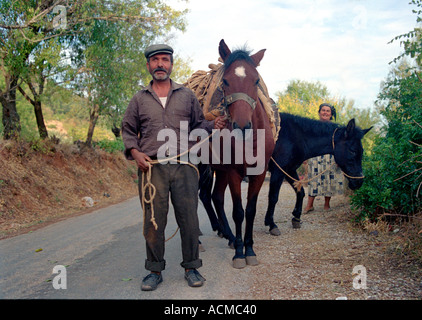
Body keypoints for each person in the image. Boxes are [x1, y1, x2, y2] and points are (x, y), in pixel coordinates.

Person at [122, 44, 227, 291]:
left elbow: (199, 124)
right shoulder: (139, 99)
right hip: (152, 168)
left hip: (184, 166)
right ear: (148, 65)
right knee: (153, 221)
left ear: (171, 64)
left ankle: (191, 267)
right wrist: (135, 152)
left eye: (165, 60)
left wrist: (215, 126)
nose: (161, 64)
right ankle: (154, 270)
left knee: (189, 219)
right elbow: (127, 131)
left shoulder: (187, 95)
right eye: (156, 60)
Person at [303, 103, 344, 213]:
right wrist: (304, 156)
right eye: (323, 110)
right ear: (319, 112)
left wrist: (339, 158)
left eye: (328, 111)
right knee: (313, 181)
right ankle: (309, 205)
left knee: (329, 180)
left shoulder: (335, 128)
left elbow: (340, 144)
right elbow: (307, 141)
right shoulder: (312, 126)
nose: (325, 112)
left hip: (330, 157)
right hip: (314, 156)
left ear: (331, 114)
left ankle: (327, 205)